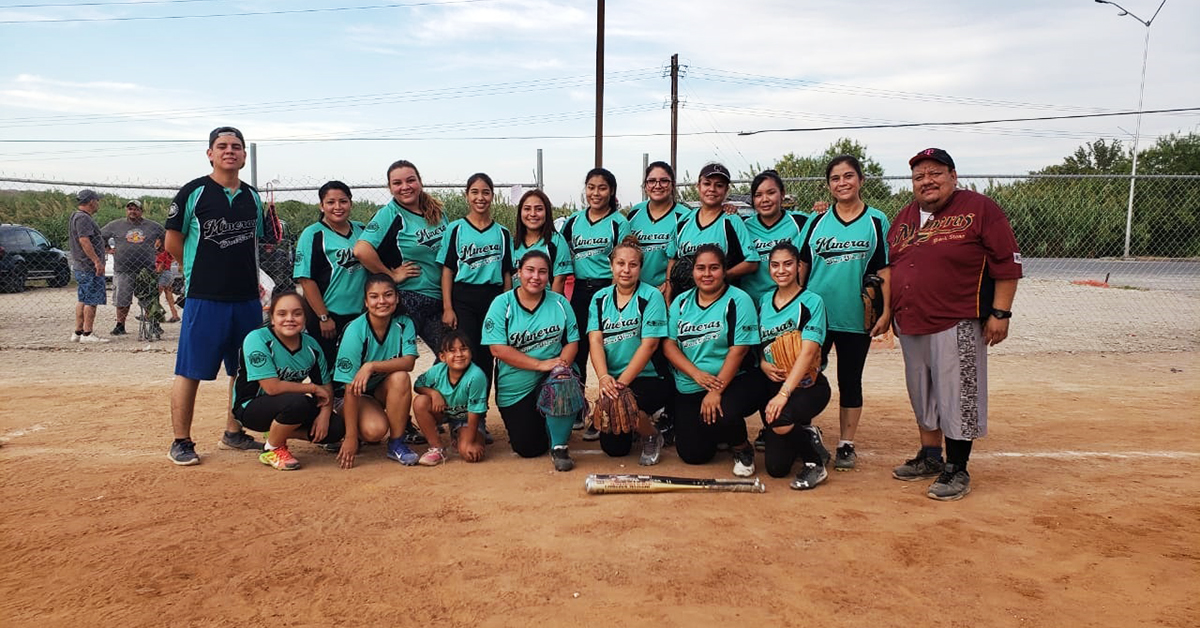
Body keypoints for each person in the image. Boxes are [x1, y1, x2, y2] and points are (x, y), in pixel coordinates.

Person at [887, 148, 1022, 501]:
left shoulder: (979, 208)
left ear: (953, 175)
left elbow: (1006, 263)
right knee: (923, 392)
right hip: (912, 321)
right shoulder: (903, 217)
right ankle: (930, 457)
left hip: (957, 318)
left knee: (958, 394)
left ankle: (957, 468)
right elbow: (893, 268)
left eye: (935, 173)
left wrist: (1000, 313)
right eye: (919, 176)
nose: (927, 181)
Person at [165, 127, 267, 465]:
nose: (230, 151)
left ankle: (233, 432)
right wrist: (197, 272)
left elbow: (256, 244)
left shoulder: (252, 197)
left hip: (246, 299)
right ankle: (181, 441)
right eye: (222, 146)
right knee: (190, 370)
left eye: (236, 147)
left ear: (244, 156)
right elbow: (172, 242)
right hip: (205, 298)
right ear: (209, 153)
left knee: (244, 370)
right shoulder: (193, 192)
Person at [797, 155, 891, 471]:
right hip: (816, 316)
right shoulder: (816, 221)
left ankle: (846, 444)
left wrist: (886, 311)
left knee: (850, 379)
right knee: (806, 375)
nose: (842, 183)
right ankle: (804, 431)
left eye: (848, 176)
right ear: (829, 185)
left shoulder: (876, 220)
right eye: (835, 178)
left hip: (854, 315)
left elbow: (884, 269)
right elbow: (802, 265)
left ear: (861, 180)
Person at [663, 244, 763, 477]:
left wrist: (716, 391)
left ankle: (741, 447)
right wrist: (696, 374)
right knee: (693, 455)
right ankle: (720, 434)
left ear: (724, 270)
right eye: (701, 268)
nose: (706, 274)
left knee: (724, 410)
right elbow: (668, 345)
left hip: (734, 379)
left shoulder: (739, 300)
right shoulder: (681, 302)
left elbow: (739, 350)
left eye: (714, 268)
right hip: (692, 383)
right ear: (693, 271)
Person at [482, 250, 581, 471]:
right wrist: (539, 364)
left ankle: (559, 445)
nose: (536, 277)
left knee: (563, 380)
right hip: (516, 384)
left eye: (542, 272)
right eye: (530, 270)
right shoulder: (502, 303)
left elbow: (572, 342)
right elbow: (497, 349)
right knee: (528, 448)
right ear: (519, 273)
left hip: (550, 376)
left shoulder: (560, 303)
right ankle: (551, 424)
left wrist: (560, 367)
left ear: (549, 276)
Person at [333, 273, 440, 469]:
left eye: (388, 295)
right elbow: (349, 387)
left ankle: (397, 442)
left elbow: (408, 363)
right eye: (374, 296)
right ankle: (352, 427)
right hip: (351, 395)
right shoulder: (355, 330)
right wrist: (350, 438)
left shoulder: (404, 323)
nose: (382, 301)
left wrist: (371, 365)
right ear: (365, 301)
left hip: (378, 389)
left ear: (397, 298)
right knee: (374, 432)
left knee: (400, 377)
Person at [232, 291, 343, 471]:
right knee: (297, 402)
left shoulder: (311, 346)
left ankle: (277, 431)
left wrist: (324, 416)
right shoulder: (257, 338)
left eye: (297, 313)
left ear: (305, 318)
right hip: (250, 407)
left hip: (287, 403)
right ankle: (272, 449)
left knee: (336, 428)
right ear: (273, 318)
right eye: (282, 314)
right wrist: (312, 388)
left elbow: (326, 387)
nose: (290, 319)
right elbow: (272, 388)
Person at [754, 243, 833, 489]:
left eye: (788, 264)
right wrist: (763, 363)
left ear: (799, 266)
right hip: (773, 383)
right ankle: (805, 435)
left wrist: (783, 394)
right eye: (775, 265)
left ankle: (814, 464)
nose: (781, 270)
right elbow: (759, 343)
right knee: (776, 469)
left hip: (807, 386)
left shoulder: (811, 301)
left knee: (780, 419)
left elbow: (809, 351)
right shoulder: (764, 301)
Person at [560, 167, 630, 439]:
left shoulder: (618, 222)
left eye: (602, 188)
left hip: (607, 289)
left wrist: (615, 295)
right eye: (591, 187)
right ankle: (578, 405)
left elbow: (624, 259)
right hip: (579, 290)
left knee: (607, 350)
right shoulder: (573, 222)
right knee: (577, 350)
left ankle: (604, 408)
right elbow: (558, 253)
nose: (596, 193)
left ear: (611, 191)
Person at [586, 237, 669, 465]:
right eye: (620, 264)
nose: (626, 270)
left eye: (633, 265)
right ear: (611, 266)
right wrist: (604, 378)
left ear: (640, 268)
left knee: (630, 403)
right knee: (614, 450)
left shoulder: (651, 296)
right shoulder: (599, 298)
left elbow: (650, 344)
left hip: (649, 376)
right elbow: (595, 340)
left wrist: (621, 385)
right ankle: (635, 422)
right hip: (614, 378)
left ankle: (652, 434)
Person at [354, 160, 448, 354]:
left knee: (452, 354)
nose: (405, 187)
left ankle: (427, 386)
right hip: (410, 298)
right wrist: (391, 275)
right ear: (390, 188)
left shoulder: (438, 211)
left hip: (439, 297)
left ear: (420, 182)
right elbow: (361, 251)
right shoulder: (390, 214)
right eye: (397, 183)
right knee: (396, 360)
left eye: (410, 180)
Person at [439, 172, 514, 390]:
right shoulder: (456, 229)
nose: (480, 198)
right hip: (463, 297)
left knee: (486, 356)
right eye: (474, 192)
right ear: (466, 195)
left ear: (492, 196)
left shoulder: (502, 232)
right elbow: (447, 271)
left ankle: (479, 412)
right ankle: (459, 413)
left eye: (485, 192)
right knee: (463, 351)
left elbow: (507, 273)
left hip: (492, 298)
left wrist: (506, 307)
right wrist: (447, 307)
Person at [293, 180, 367, 369]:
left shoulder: (361, 230)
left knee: (356, 366)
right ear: (322, 205)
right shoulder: (313, 234)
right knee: (329, 368)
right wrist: (323, 317)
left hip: (359, 313)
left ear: (350, 202)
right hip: (328, 315)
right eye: (331, 202)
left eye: (343, 201)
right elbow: (306, 280)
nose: (337, 207)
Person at [669, 162, 758, 297]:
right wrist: (669, 293)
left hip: (721, 298)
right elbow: (673, 259)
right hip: (685, 299)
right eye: (707, 183)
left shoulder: (732, 220)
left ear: (726, 190)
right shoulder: (684, 221)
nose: (712, 189)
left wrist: (721, 277)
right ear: (698, 186)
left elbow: (751, 262)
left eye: (719, 185)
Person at [412, 329, 490, 464]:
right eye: (452, 351)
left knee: (471, 454)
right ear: (442, 357)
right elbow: (417, 385)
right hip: (444, 412)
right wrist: (433, 393)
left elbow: (474, 412)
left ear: (471, 353)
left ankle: (462, 435)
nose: (459, 354)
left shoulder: (476, 376)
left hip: (467, 419)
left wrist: (471, 442)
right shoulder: (438, 370)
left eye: (463, 349)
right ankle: (437, 447)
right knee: (420, 402)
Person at [739, 170, 808, 304]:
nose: (765, 200)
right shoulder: (743, 225)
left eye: (771, 193)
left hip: (789, 302)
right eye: (758, 195)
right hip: (752, 304)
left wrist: (821, 209)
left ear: (782, 194)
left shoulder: (801, 222)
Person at [101, 199, 165, 336]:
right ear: (126, 210)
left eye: (136, 209)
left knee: (149, 298)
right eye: (130, 209)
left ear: (141, 211)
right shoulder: (116, 225)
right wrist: (107, 248)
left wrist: (161, 249)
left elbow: (165, 236)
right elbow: (100, 236)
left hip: (146, 269)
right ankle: (120, 325)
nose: (133, 211)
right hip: (123, 268)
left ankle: (154, 324)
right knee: (122, 299)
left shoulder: (153, 226)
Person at [626, 161, 691, 295]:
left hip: (668, 291)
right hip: (635, 290)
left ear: (673, 185)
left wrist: (669, 283)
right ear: (645, 186)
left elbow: (688, 258)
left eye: (664, 181)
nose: (657, 185)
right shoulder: (635, 212)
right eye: (652, 181)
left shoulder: (685, 216)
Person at [68, 189, 109, 344]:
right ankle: (87, 333)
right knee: (91, 299)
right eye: (97, 200)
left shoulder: (76, 216)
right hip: (88, 266)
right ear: (91, 201)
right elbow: (84, 240)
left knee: (83, 298)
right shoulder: (83, 218)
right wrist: (96, 261)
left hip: (81, 265)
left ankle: (77, 332)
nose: (98, 203)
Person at [512, 189, 572, 294]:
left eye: (539, 209)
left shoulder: (556, 241)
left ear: (547, 212)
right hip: (517, 306)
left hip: (546, 305)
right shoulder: (512, 243)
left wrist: (550, 308)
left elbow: (560, 280)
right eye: (527, 209)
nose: (533, 214)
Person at [154, 244, 180, 323]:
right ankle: (175, 315)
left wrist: (157, 272)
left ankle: (150, 314)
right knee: (169, 296)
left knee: (156, 295)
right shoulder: (168, 250)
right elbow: (174, 258)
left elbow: (161, 265)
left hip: (164, 274)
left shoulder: (161, 252)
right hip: (169, 273)